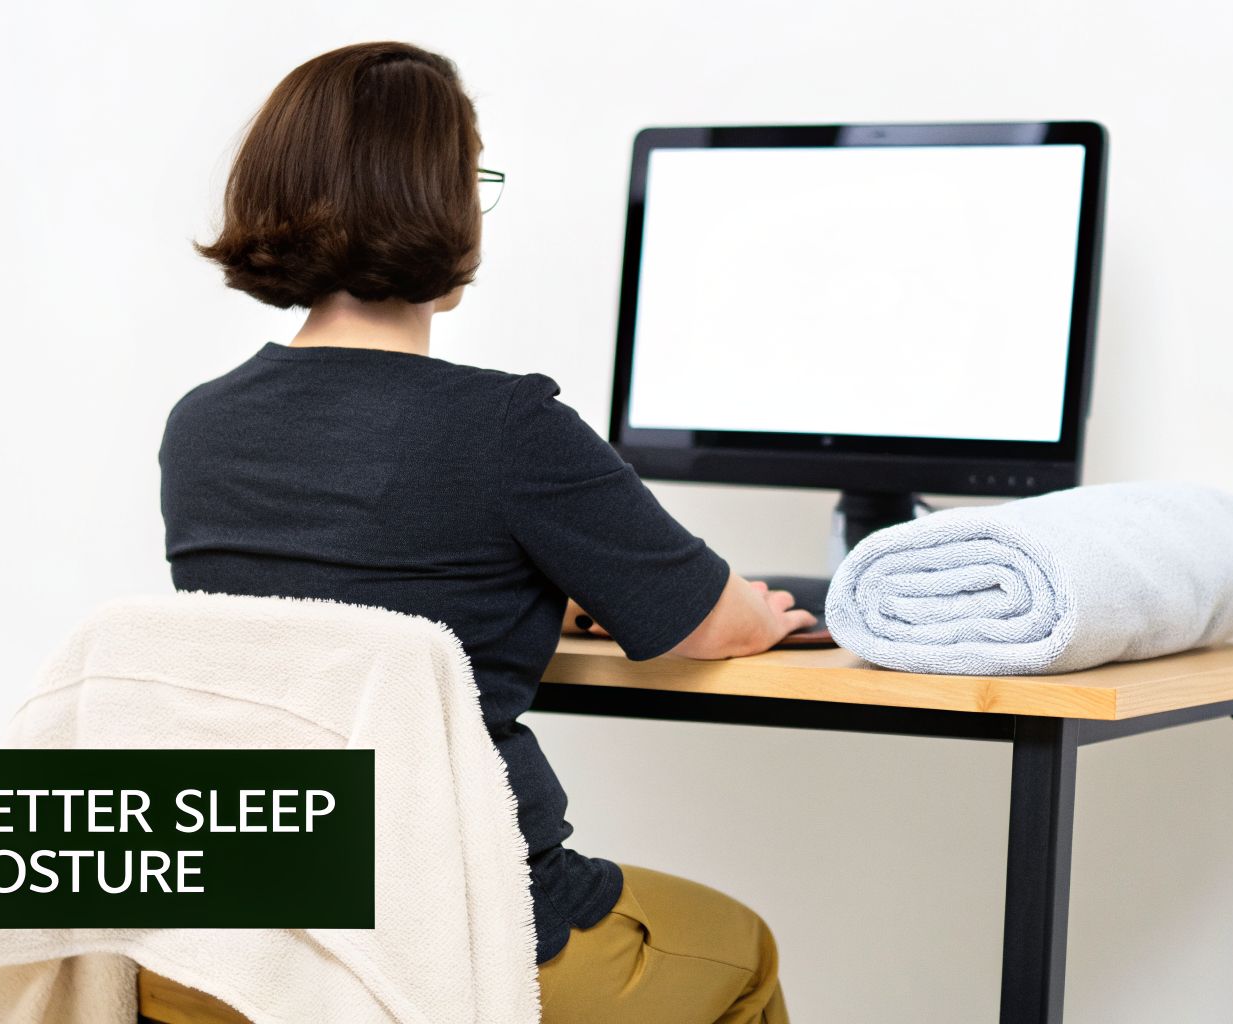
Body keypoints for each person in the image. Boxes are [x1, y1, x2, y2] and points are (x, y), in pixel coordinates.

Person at [161, 40, 804, 1024]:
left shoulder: (201, 425)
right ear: (441, 205)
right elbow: (705, 625)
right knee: (737, 950)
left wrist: (536, 591)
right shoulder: (505, 424)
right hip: (458, 934)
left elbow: (346, 611)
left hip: (235, 942)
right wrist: (755, 612)